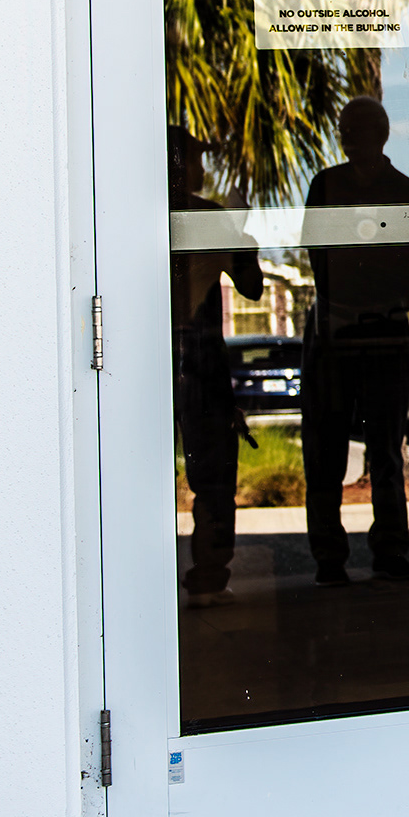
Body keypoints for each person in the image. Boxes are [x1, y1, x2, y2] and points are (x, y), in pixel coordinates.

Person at [300, 96, 409, 586]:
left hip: (383, 331)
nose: (348, 136)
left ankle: (389, 550)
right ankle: (328, 557)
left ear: (379, 134)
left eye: (356, 127)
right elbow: (315, 253)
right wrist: (340, 307)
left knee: (384, 447)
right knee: (325, 447)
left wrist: (390, 302)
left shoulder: (408, 193)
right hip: (333, 331)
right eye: (344, 128)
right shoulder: (325, 185)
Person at [169, 126, 264, 605]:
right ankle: (209, 574)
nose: (203, 167)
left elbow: (250, 287)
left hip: (168, 355)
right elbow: (251, 285)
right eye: (197, 157)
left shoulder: (125, 212)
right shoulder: (209, 218)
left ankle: (204, 575)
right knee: (212, 474)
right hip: (199, 358)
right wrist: (239, 231)